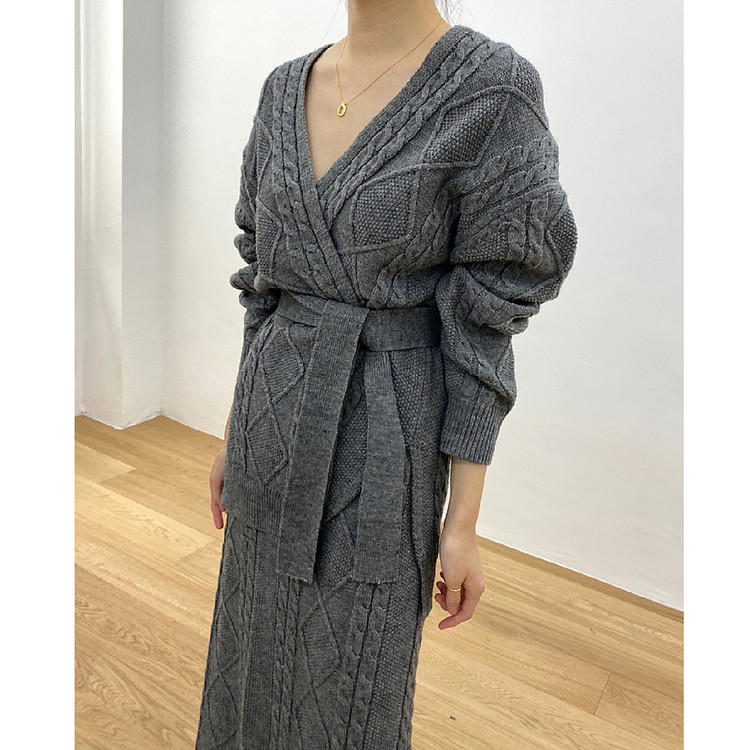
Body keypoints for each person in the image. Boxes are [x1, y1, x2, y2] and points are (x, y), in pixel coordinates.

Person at [195, 1, 578, 747]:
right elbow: (262, 284)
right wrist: (234, 434)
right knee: (251, 646)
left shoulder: (494, 90)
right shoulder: (282, 88)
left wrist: (462, 522)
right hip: (272, 422)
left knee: (352, 681)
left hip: (383, 439)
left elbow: (487, 314)